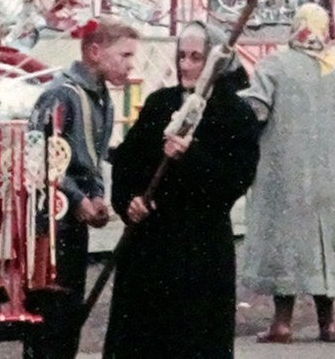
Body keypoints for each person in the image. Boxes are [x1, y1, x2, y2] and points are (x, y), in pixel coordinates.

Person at [103, 21, 260, 359]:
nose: (186, 66)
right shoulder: (161, 103)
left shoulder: (236, 115)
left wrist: (190, 156)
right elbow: (128, 163)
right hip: (150, 248)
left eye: (196, 58)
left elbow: (234, 180)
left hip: (199, 251)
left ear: (215, 64)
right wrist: (129, 202)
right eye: (182, 57)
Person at [241, 2, 335, 344]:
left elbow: (254, 111)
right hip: (333, 179)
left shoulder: (274, 67)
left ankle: (281, 323)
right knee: (326, 246)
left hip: (284, 176)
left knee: (287, 246)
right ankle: (328, 323)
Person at [26, 17, 139, 359]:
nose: (130, 65)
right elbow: (39, 159)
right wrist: (77, 199)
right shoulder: (61, 95)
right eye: (124, 55)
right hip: (49, 225)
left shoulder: (101, 96)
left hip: (75, 223)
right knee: (50, 315)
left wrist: (98, 196)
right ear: (94, 51)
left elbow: (93, 157)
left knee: (69, 314)